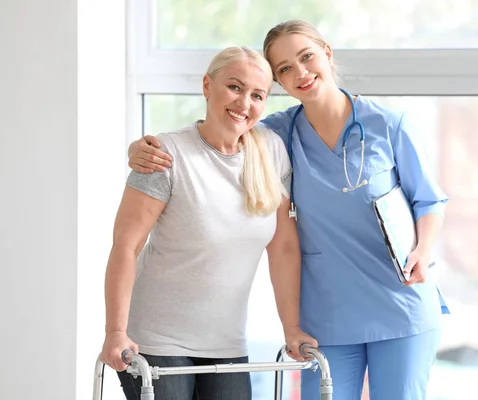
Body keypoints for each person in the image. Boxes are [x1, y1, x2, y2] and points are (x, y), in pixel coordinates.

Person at [127, 20, 449, 400]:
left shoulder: (390, 125)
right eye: (284, 69)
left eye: (306, 57)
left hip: (399, 302)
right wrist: (140, 150)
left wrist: (423, 249)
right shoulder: (276, 134)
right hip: (327, 316)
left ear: (326, 53)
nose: (300, 73)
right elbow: (214, 130)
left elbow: (429, 200)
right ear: (278, 83)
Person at [99, 46, 317, 400]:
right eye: (234, 87)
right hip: (157, 337)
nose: (244, 103)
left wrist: (291, 327)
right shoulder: (166, 155)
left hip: (228, 341)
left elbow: (284, 247)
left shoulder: (273, 152)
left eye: (257, 95)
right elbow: (126, 246)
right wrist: (115, 331)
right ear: (207, 85)